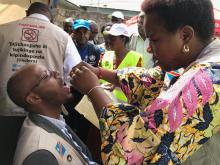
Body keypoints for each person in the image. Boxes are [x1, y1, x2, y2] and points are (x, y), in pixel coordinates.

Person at [70, 0, 220, 164]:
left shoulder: (208, 79)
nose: (149, 49)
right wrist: (99, 72)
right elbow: (154, 80)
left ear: (185, 35)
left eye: (154, 40)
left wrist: (93, 89)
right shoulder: (199, 62)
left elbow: (137, 148)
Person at [0, 2, 81, 164]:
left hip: (6, 109)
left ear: (26, 12)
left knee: (6, 156)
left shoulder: (2, 30)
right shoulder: (62, 36)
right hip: (45, 111)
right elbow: (74, 74)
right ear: (50, 16)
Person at [7, 64, 97, 165]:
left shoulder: (55, 120)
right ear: (34, 98)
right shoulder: (40, 154)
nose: (56, 73)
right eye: (46, 75)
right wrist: (94, 89)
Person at [99, 23, 143, 102]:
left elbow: (138, 85)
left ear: (123, 39)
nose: (109, 41)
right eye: (109, 37)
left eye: (113, 38)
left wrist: (117, 83)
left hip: (125, 108)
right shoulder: (104, 56)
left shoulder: (137, 58)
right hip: (103, 102)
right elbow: (98, 79)